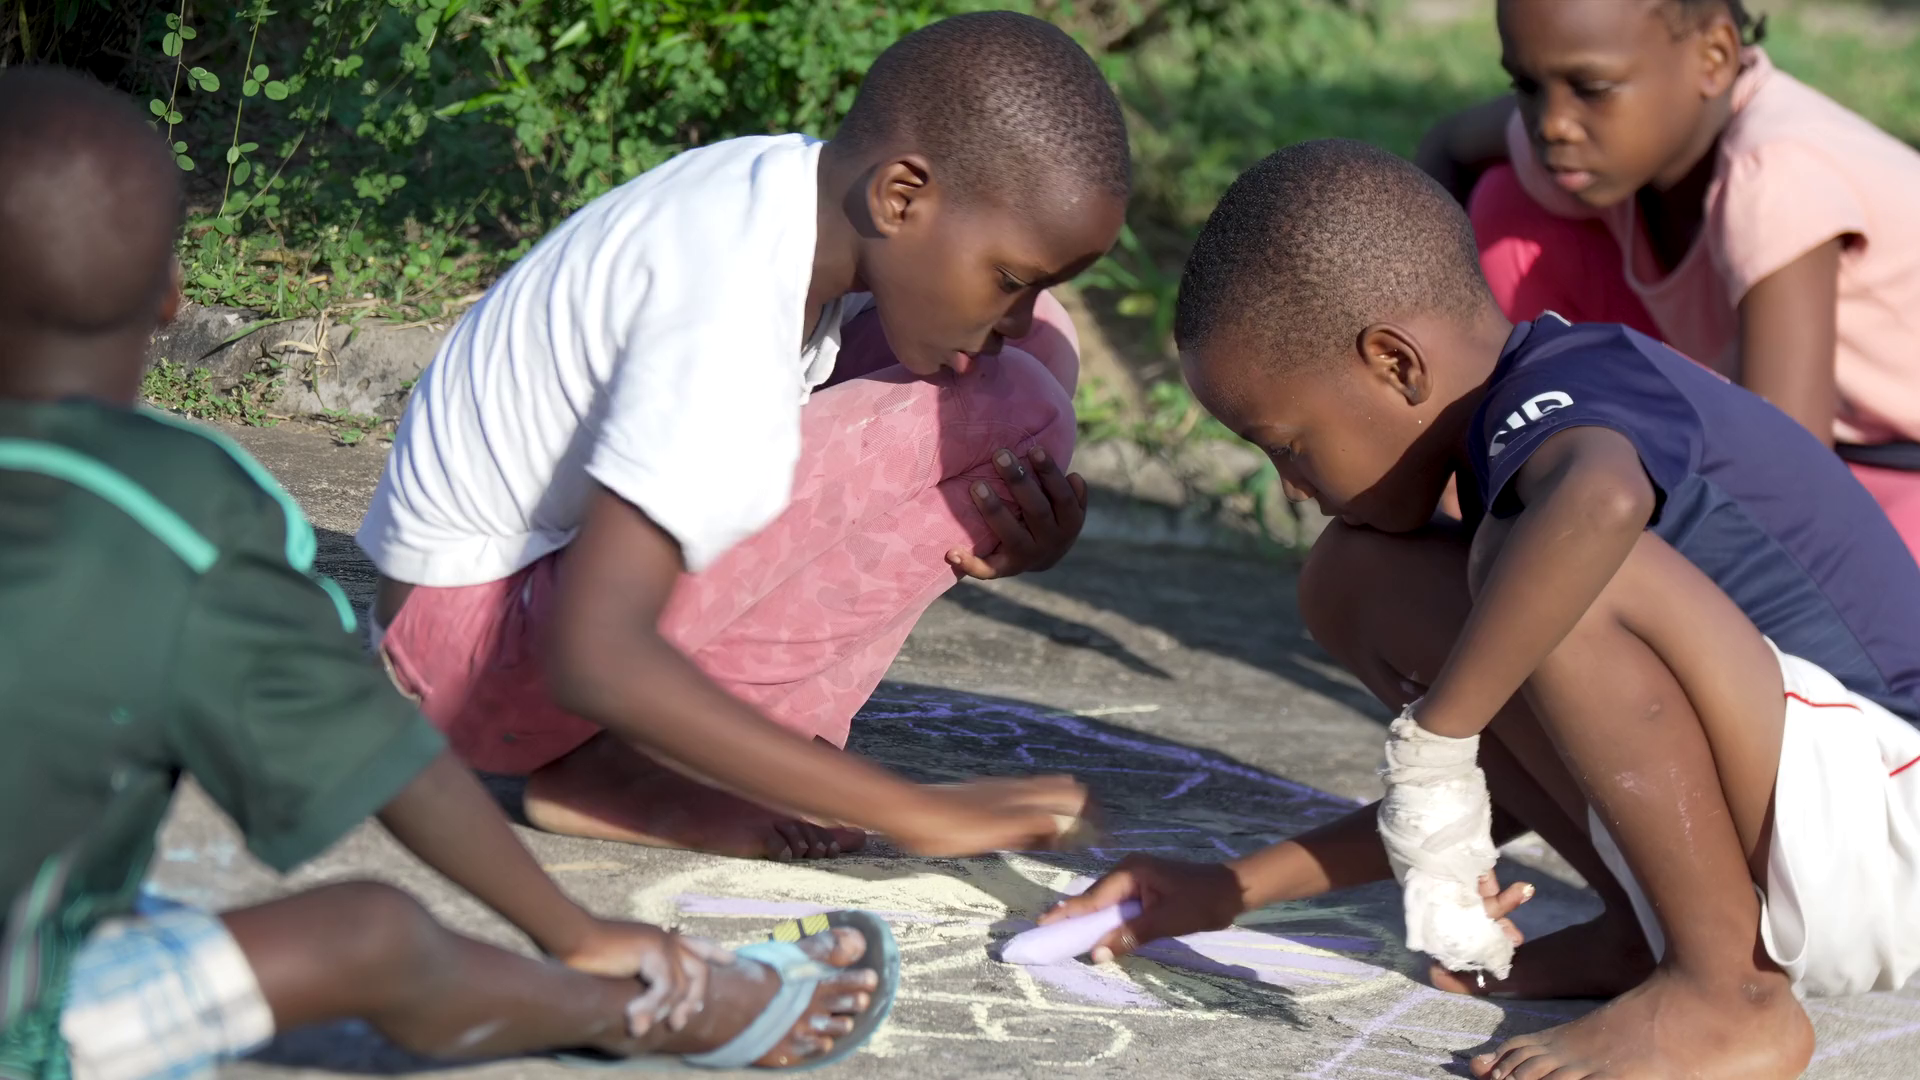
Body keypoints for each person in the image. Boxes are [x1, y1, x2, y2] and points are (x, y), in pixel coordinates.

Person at [0, 66, 898, 1080]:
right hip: (23, 1023)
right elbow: (378, 754)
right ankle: (639, 1006)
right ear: (171, 294)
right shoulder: (179, 508)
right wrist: (572, 926)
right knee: (369, 935)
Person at [1048, 139, 1920, 1079]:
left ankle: (1728, 993)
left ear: (1395, 364)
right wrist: (1233, 887)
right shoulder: (1520, 436)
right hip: (1806, 820)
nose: (1292, 486)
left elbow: (1601, 506)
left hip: (1889, 816)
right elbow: (1524, 767)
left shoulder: (1576, 390)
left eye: (1289, 445)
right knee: (1360, 581)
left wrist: (1436, 741)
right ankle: (1648, 932)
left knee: (1551, 565)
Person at [356, 10, 1127, 861]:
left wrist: (1010, 520)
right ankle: (636, 769)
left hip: (505, 618)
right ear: (901, 196)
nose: (1012, 314)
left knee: (1039, 351)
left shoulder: (793, 196)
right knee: (1010, 404)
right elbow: (593, 654)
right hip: (477, 665)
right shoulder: (724, 305)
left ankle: (680, 753)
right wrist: (914, 810)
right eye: (1009, 279)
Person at [1415, 0, 1920, 564]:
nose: (1552, 123)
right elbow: (1448, 144)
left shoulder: (1779, 175)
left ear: (1714, 59)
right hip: (1784, 431)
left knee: (1863, 603)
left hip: (1892, 461)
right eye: (1526, 87)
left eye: (1592, 88)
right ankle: (1511, 469)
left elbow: (1793, 485)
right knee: (1509, 203)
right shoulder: (1600, 141)